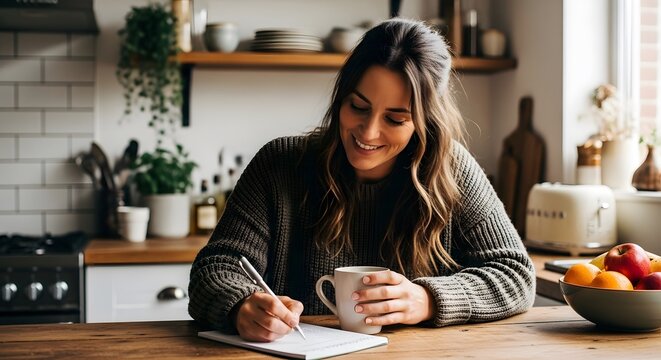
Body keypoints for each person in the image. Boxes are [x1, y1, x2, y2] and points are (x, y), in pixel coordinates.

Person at [188, 18, 535, 342]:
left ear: (424, 123)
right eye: (358, 106)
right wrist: (239, 306)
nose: (368, 132)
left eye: (396, 119)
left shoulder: (452, 168)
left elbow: (516, 275)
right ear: (341, 98)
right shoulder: (280, 164)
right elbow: (214, 270)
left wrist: (427, 299)